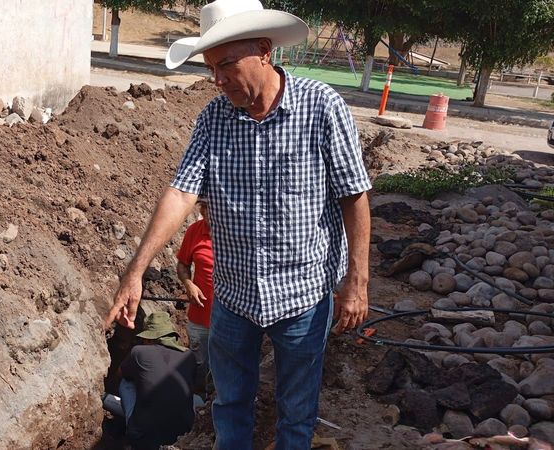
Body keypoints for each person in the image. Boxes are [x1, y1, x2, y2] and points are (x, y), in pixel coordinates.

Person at [104, 0, 372, 448]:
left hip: (303, 296)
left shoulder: (322, 107)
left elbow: (353, 195)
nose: (218, 79)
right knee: (229, 405)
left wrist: (356, 281)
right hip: (232, 297)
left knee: (297, 410)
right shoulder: (213, 119)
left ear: (264, 50)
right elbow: (181, 192)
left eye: (226, 63)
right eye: (211, 67)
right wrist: (135, 271)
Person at [117, 312, 197, 449]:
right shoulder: (189, 356)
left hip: (143, 438)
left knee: (126, 384)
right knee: (195, 398)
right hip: (183, 435)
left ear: (149, 338)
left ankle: (130, 427)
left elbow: (119, 374)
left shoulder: (138, 352)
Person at [176, 196, 214, 389]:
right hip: (199, 317)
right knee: (200, 364)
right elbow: (183, 264)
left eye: (210, 206)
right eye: (203, 207)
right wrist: (188, 283)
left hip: (230, 321)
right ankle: (199, 403)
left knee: (224, 368)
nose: (205, 212)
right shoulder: (195, 231)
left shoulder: (238, 233)